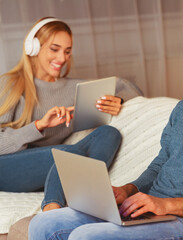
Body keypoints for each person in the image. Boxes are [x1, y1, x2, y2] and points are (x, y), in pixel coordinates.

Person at [29, 16, 183, 239]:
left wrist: (166, 205)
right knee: (45, 223)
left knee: (89, 237)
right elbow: (161, 164)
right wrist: (128, 190)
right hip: (150, 211)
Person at [0, 17, 124, 212]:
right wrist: (39, 125)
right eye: (54, 49)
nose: (62, 58)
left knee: (109, 133)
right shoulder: (10, 84)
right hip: (7, 167)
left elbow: (125, 85)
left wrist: (119, 100)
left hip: (51, 167)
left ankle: (85, 192)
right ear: (33, 48)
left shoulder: (74, 88)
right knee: (68, 155)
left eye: (67, 51)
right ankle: (51, 210)